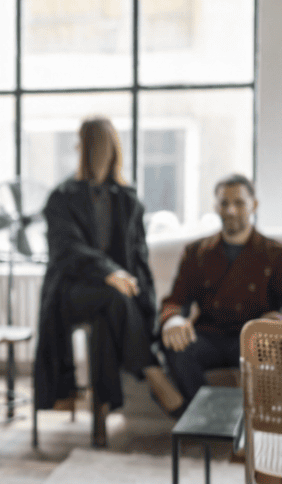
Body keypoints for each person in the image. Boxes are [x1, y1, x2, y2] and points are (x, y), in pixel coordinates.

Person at [33, 116, 182, 421]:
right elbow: (67, 248)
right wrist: (108, 272)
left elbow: (139, 257)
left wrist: (144, 300)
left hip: (113, 294)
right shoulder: (61, 197)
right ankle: (152, 372)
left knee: (110, 311)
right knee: (113, 296)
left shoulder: (128, 200)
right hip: (70, 291)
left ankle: (102, 414)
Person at [157, 173, 282, 411]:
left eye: (239, 203)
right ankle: (207, 418)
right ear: (215, 207)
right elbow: (176, 301)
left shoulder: (278, 254)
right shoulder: (195, 252)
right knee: (175, 346)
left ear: (254, 205)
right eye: (224, 203)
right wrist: (173, 321)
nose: (230, 210)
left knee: (279, 347)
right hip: (209, 335)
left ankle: (255, 422)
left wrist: (278, 321)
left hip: (253, 338)